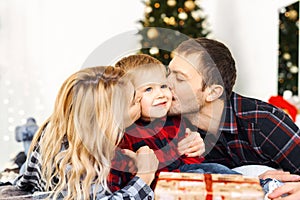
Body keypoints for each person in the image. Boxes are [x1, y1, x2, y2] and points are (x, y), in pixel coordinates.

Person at [167, 37, 300, 198]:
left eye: (180, 78)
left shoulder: (261, 122)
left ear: (212, 92)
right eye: (168, 73)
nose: (166, 83)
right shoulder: (166, 127)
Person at [10, 66, 159, 200]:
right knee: (23, 159)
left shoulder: (60, 131)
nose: (141, 102)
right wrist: (144, 177)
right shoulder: (74, 166)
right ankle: (27, 133)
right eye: (134, 101)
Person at [109, 54, 239, 191]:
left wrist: (194, 148)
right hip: (162, 184)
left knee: (218, 169)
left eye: (163, 86)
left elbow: (192, 154)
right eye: (148, 89)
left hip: (188, 171)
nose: (161, 94)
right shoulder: (127, 133)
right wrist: (176, 153)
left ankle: (259, 187)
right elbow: (136, 171)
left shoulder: (174, 119)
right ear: (130, 97)